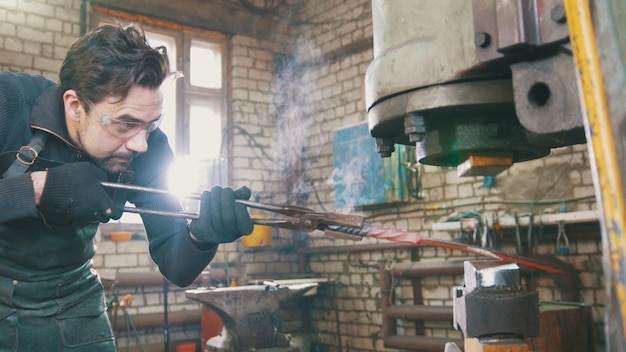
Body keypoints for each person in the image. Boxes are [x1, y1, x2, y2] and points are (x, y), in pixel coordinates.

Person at [0, 23, 253, 351]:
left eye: (150, 125)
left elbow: (175, 265)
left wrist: (202, 236)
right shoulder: (9, 104)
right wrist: (39, 188)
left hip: (74, 305)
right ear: (76, 106)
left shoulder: (150, 149)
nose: (141, 144)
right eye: (126, 123)